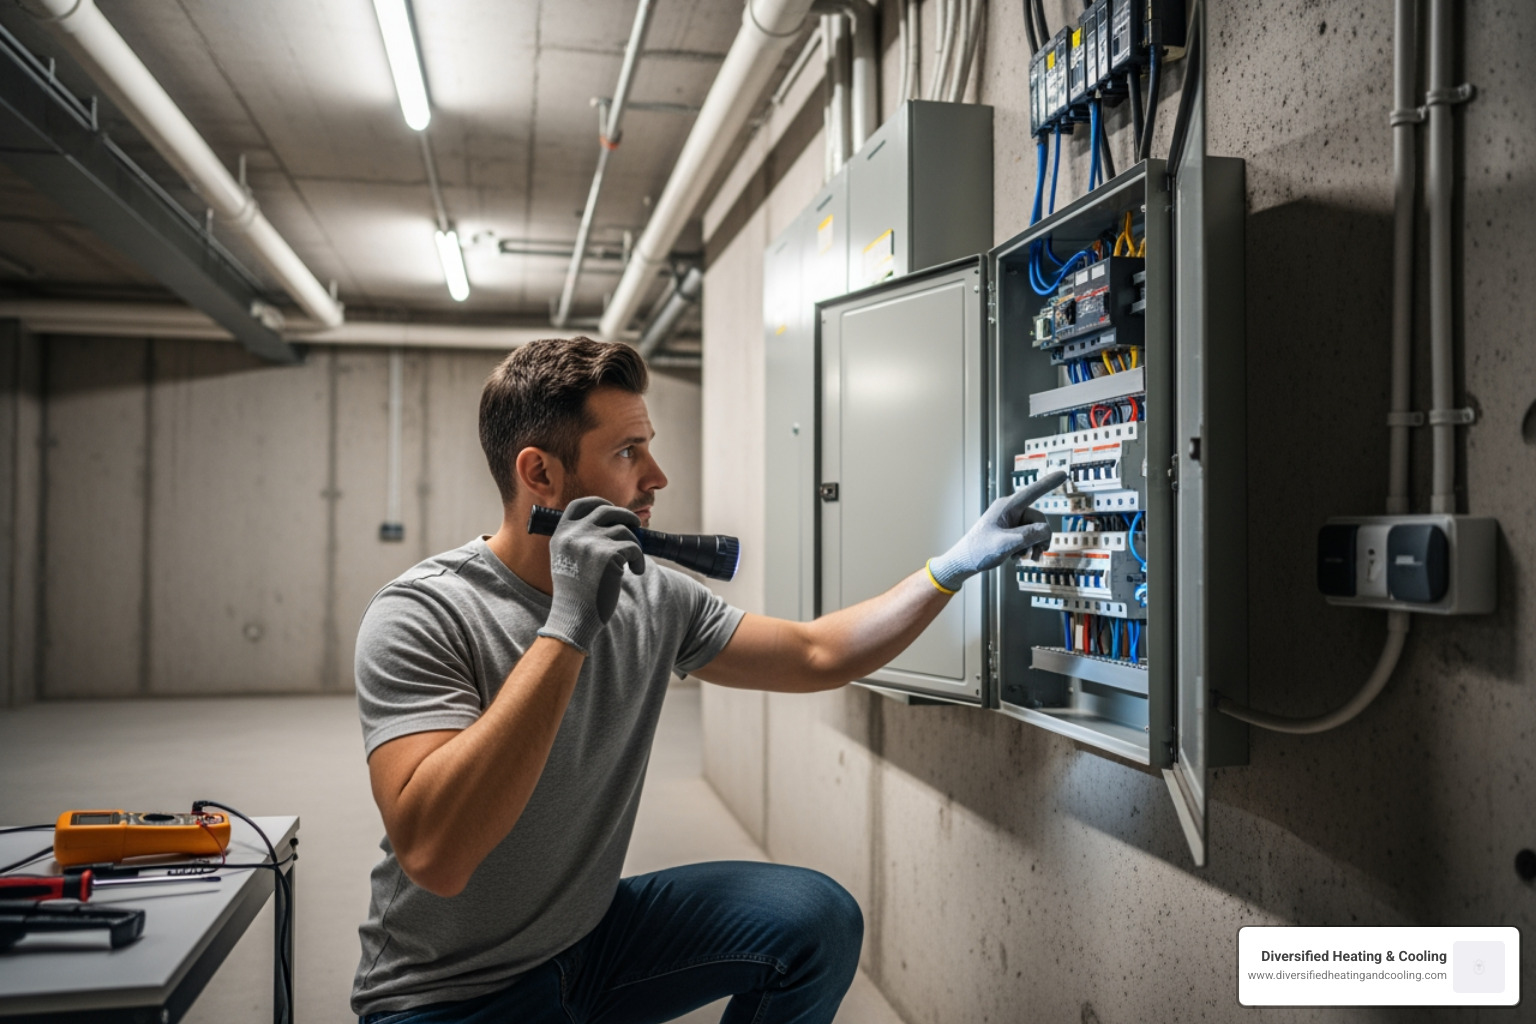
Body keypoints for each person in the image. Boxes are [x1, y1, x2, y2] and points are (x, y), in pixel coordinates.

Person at [352, 337, 1064, 1024]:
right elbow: (437, 857)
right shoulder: (424, 614)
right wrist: (566, 626)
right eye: (628, 452)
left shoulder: (649, 594)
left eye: (648, 446)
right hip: (447, 995)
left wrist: (950, 568)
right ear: (539, 475)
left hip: (588, 944)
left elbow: (816, 652)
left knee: (814, 920)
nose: (657, 476)